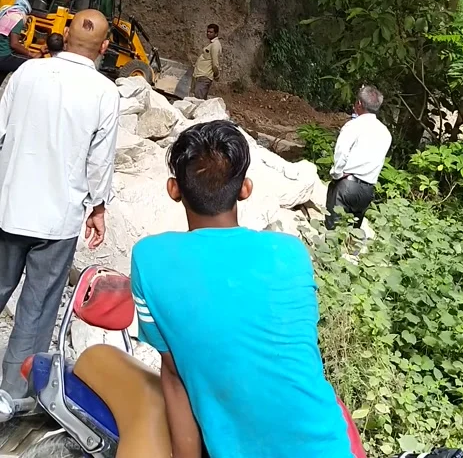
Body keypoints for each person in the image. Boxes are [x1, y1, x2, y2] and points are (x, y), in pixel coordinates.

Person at [131, 120, 353, 458]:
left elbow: (175, 375)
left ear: (173, 189)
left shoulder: (149, 259)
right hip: (330, 445)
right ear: (245, 189)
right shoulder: (290, 253)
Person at [0, 9, 120, 399]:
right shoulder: (105, 93)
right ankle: (12, 397)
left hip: (8, 207)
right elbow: (99, 161)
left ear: (65, 35)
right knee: (35, 311)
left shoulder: (26, 73)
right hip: (58, 220)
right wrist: (98, 208)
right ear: (104, 47)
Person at [326, 85, 392, 230]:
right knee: (353, 234)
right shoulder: (385, 132)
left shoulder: (353, 126)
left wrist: (337, 175)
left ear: (359, 104)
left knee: (333, 232)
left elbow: (341, 153)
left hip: (347, 185)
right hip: (367, 191)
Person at [0, 0, 37, 76]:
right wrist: (30, 54)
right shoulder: (17, 17)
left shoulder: (6, 12)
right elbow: (14, 44)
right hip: (3, 57)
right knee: (31, 64)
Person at [192, 24, 221, 100]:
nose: (208, 33)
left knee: (198, 100)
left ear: (216, 34)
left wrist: (216, 75)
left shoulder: (215, 45)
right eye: (207, 31)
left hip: (205, 76)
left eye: (211, 32)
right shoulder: (211, 44)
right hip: (200, 75)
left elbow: (215, 63)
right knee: (199, 99)